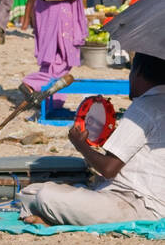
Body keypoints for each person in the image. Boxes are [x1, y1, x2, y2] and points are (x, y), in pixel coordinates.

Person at [19, 52, 165, 225]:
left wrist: (81, 145)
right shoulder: (156, 103)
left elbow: (109, 169)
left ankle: (53, 216)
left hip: (138, 205)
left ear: (138, 72)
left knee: (42, 195)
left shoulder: (143, 108)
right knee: (37, 192)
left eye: (131, 72)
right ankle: (53, 215)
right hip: (149, 201)